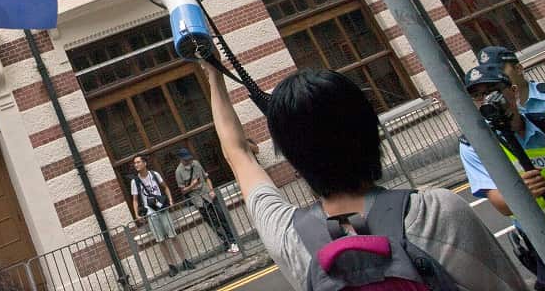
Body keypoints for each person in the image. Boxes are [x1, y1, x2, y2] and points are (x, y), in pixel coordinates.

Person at [201, 58, 526, 291]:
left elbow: (237, 152)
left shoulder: (289, 237)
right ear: (371, 131)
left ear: (293, 158)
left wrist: (213, 78)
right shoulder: (437, 210)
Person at [459, 61, 545, 291]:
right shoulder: (475, 145)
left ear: (514, 91)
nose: (486, 100)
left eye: (492, 91)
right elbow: (501, 204)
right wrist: (521, 193)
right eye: (478, 96)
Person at [130, 155, 194, 276]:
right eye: (135, 163)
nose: (136, 165)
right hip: (150, 214)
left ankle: (184, 261)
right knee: (160, 240)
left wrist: (170, 200)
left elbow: (165, 187)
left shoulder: (154, 174)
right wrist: (137, 214)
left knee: (173, 236)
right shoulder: (135, 181)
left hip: (162, 209)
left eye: (138, 162)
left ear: (145, 163)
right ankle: (171, 266)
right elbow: (135, 200)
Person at [174, 147, 239, 254]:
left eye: (189, 158)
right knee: (214, 224)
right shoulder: (179, 172)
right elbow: (183, 191)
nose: (189, 161)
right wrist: (192, 185)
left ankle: (233, 241)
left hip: (209, 195)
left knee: (222, 217)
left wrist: (212, 190)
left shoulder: (196, 164)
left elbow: (206, 178)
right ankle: (228, 242)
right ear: (180, 159)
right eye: (186, 160)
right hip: (199, 201)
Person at [478, 46, 545, 122]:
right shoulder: (494, 114)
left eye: (499, 71)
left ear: (518, 69)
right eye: (490, 74)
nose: (496, 78)